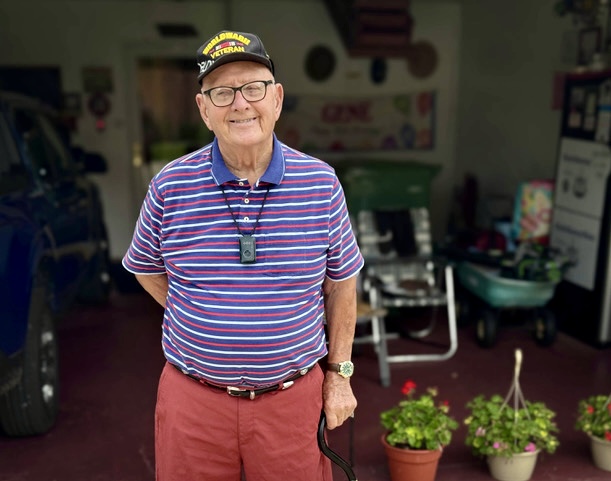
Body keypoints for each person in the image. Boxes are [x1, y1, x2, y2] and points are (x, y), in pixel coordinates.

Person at [123, 30, 364, 481]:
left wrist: (339, 376)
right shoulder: (170, 185)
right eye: (222, 92)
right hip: (193, 400)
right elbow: (145, 268)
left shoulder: (321, 183)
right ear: (203, 109)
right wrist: (197, 311)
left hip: (292, 400)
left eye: (253, 88)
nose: (240, 104)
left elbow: (341, 284)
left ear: (277, 99)